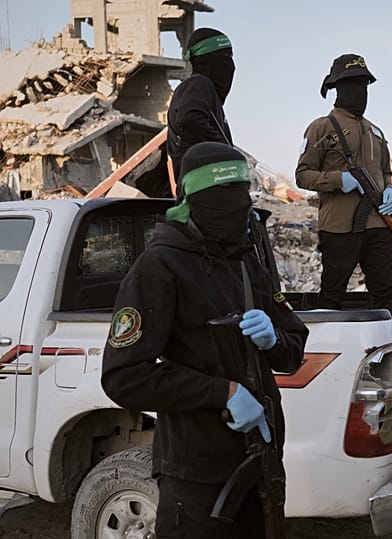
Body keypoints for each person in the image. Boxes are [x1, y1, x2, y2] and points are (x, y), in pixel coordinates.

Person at [101, 142, 308, 538]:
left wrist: (274, 340)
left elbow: (293, 347)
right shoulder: (160, 267)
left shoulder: (247, 261)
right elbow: (123, 377)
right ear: (194, 200)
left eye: (241, 196)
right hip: (196, 474)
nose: (236, 207)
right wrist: (223, 393)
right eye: (222, 198)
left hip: (261, 461)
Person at [295, 53, 392, 313]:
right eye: (353, 84)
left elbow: (386, 172)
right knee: (332, 295)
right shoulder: (321, 127)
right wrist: (339, 179)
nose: (360, 91)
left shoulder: (377, 132)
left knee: (386, 296)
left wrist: (390, 191)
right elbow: (303, 174)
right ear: (337, 88)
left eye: (364, 85)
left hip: (378, 225)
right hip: (339, 227)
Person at [167, 27, 236, 195]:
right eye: (226, 57)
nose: (231, 65)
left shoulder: (206, 93)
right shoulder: (199, 83)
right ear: (209, 61)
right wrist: (224, 150)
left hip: (203, 194)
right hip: (203, 195)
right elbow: (189, 119)